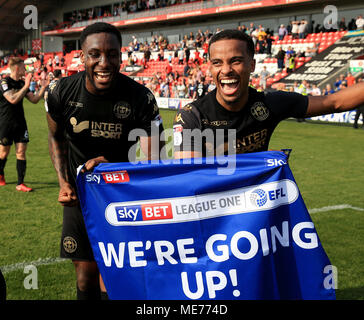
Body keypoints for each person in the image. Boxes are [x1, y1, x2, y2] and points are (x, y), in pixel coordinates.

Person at [45, 22, 164, 300]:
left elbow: (154, 162)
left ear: (121, 57)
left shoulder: (141, 98)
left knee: (111, 279)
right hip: (80, 195)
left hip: (122, 196)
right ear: (82, 56)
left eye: (112, 54)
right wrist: (64, 182)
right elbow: (56, 139)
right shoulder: (60, 92)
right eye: (95, 54)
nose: (104, 62)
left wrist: (114, 169)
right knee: (85, 279)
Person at [172, 29, 364, 159]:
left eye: (236, 61)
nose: (226, 70)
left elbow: (334, 102)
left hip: (258, 212)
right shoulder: (191, 116)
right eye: (217, 63)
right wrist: (261, 162)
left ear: (252, 65)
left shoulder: (269, 104)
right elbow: (189, 178)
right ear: (210, 69)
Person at [0, 57, 48, 190]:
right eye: (23, 68)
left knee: (21, 152)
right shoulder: (5, 82)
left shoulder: (21, 83)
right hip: (6, 123)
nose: (25, 70)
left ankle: (20, 183)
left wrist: (43, 87)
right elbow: (12, 99)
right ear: (16, 68)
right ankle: (0, 173)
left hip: (20, 123)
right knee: (3, 153)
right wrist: (27, 85)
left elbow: (34, 99)